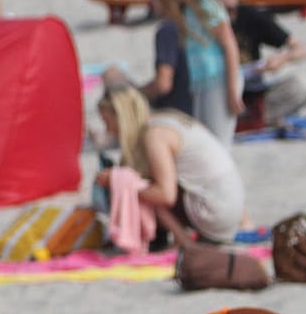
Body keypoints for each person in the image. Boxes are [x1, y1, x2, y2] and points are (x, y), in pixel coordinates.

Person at [95, 83, 245, 244]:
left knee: (144, 186)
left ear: (121, 118)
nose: (108, 130)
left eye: (107, 122)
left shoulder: (155, 135)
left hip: (216, 212)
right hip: (230, 207)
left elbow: (165, 195)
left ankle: (183, 242)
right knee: (145, 182)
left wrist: (117, 182)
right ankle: (180, 240)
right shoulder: (164, 121)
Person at [141, 0, 243, 143]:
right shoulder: (181, 12)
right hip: (200, 83)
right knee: (206, 140)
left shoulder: (203, 2)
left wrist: (232, 89)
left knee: (218, 142)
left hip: (219, 79)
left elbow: (229, 46)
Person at [206, 0, 306, 127]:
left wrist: (283, 58)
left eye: (230, 9)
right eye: (218, 8)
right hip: (217, 90)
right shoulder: (200, 22)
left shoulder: (250, 16)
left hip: (252, 88)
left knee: (301, 85)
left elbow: (302, 48)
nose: (225, 16)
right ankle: (246, 120)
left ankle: (252, 119)